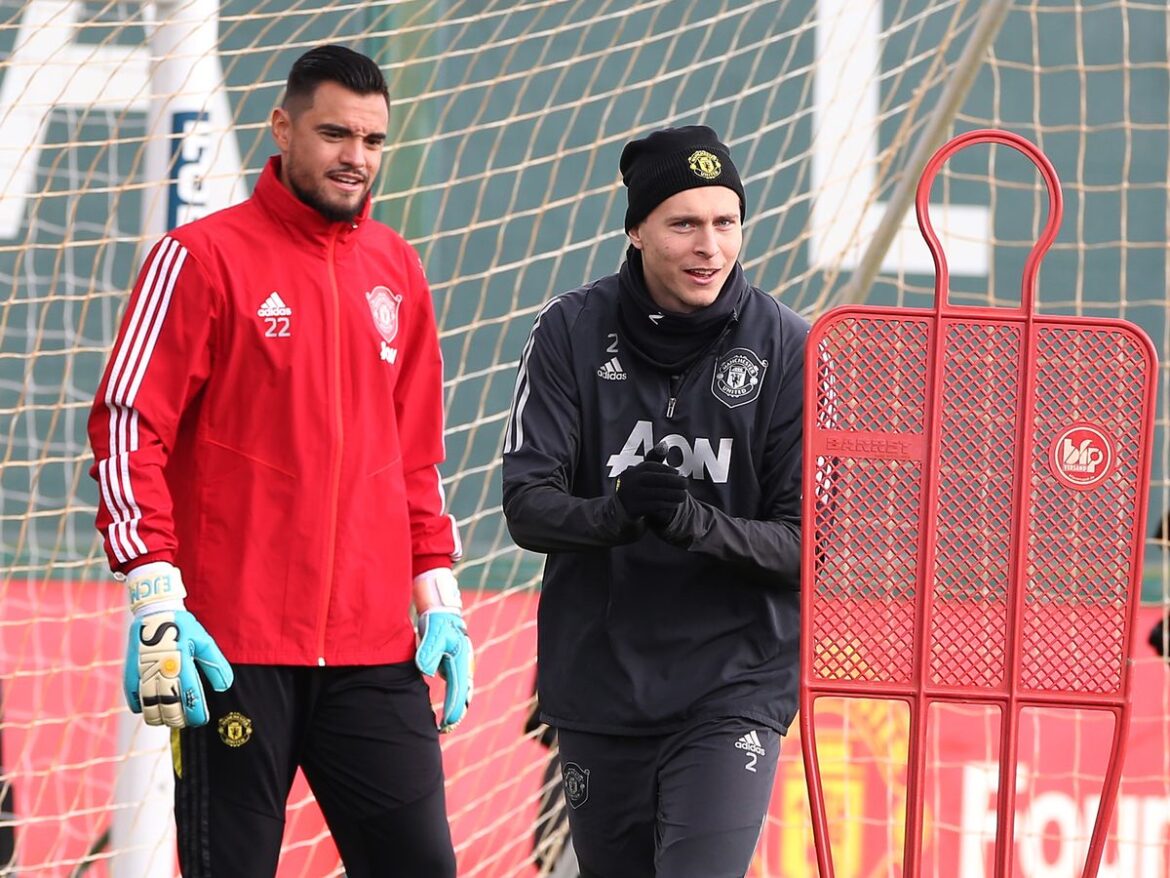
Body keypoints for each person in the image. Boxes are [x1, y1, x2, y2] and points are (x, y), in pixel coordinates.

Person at [87, 45, 471, 878]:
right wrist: (154, 589)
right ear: (283, 128)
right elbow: (127, 427)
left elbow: (415, 456)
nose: (356, 157)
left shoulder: (397, 268)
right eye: (335, 134)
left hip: (375, 651)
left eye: (373, 140)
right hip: (231, 649)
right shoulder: (199, 258)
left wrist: (438, 595)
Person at [502, 125, 807, 877]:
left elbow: (809, 548)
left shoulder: (789, 347)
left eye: (726, 222)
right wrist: (616, 514)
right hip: (600, 685)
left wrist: (690, 522)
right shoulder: (570, 329)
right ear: (636, 230)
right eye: (684, 224)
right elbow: (526, 504)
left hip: (733, 687)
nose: (710, 247)